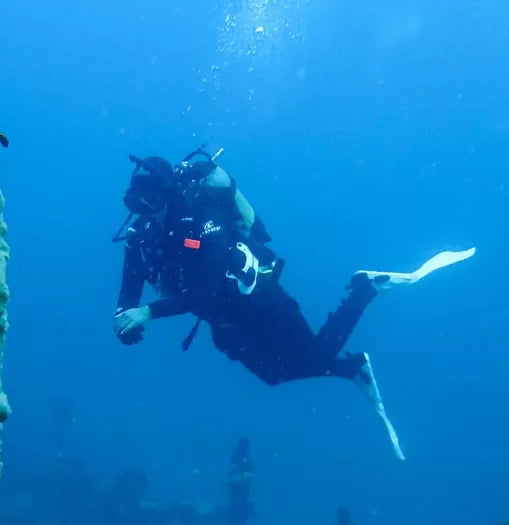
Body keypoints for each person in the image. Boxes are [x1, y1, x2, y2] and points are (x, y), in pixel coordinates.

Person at [111, 149, 475, 460]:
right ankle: (352, 369)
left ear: (167, 193)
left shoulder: (204, 217)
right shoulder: (142, 237)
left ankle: (364, 290)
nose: (145, 211)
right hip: (225, 323)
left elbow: (208, 290)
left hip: (262, 303)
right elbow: (130, 287)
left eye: (151, 201)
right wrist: (124, 317)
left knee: (316, 354)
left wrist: (148, 312)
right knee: (273, 375)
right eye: (136, 203)